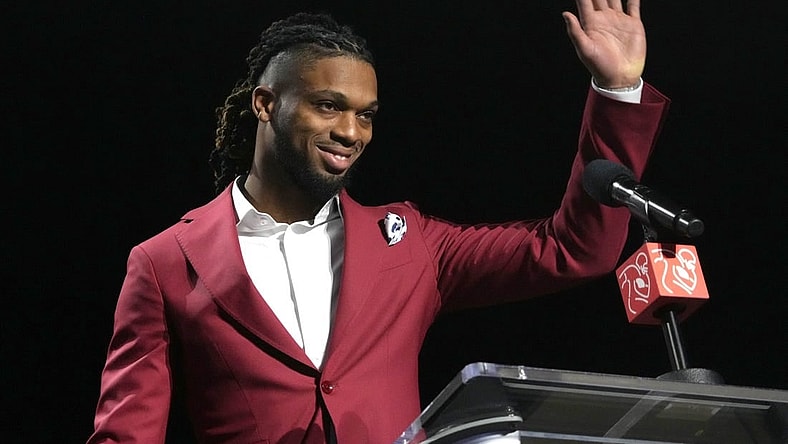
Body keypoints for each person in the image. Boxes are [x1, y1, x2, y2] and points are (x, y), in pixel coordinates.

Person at [87, 1, 670, 443]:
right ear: (265, 104)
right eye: (328, 105)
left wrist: (617, 91)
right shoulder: (165, 262)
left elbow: (574, 248)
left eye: (365, 115)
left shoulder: (409, 245)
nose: (351, 132)